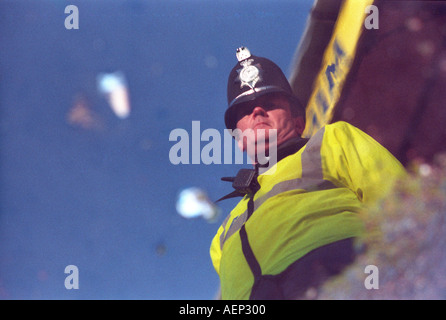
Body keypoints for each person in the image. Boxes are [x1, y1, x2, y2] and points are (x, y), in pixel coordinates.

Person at [209, 47, 406, 300]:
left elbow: (402, 203)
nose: (257, 112)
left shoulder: (333, 141)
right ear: (239, 140)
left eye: (269, 104)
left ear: (298, 122)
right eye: (246, 111)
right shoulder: (221, 237)